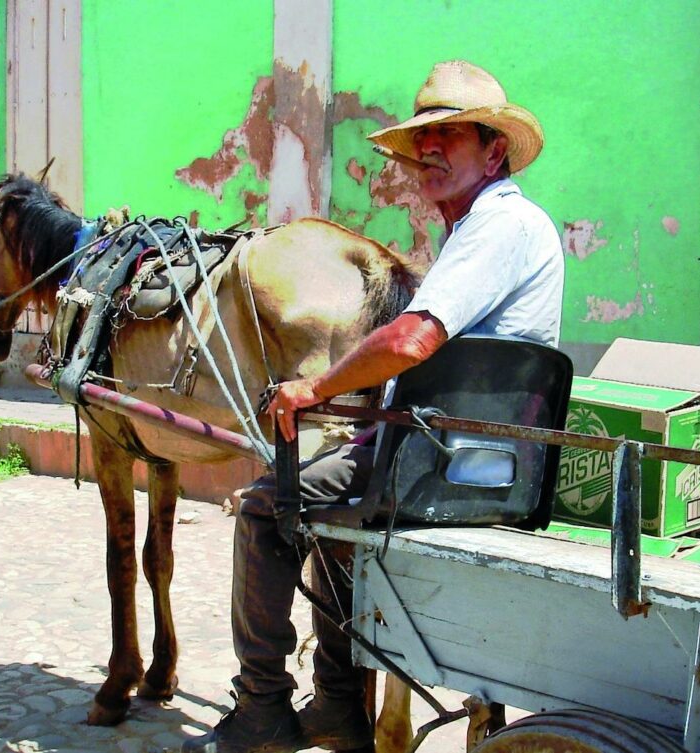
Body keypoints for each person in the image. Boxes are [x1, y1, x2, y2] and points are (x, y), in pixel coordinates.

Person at [183, 59, 565, 753]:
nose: (430, 151)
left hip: (456, 464)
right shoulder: (483, 227)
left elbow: (413, 336)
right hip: (458, 451)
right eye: (424, 138)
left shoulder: (500, 226)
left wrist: (314, 389)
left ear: (495, 150)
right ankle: (335, 702)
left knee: (269, 506)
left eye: (450, 134)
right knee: (329, 515)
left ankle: (263, 709)